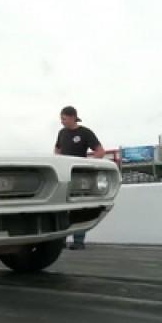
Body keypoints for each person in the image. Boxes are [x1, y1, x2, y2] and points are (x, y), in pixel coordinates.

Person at [54, 106, 105, 250]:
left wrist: (86, 165)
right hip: (64, 176)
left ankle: (78, 241)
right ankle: (60, 240)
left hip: (80, 176)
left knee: (79, 209)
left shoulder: (85, 132)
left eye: (64, 119)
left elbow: (100, 151)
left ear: (72, 117)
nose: (62, 122)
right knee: (61, 208)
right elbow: (57, 149)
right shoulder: (61, 133)